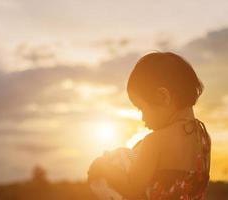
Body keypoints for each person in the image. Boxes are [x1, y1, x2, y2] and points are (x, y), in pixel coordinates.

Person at [88, 52, 211, 200]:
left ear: (163, 97)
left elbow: (131, 188)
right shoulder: (203, 138)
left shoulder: (155, 142)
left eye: (141, 108)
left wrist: (105, 169)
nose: (142, 118)